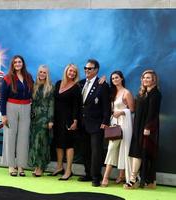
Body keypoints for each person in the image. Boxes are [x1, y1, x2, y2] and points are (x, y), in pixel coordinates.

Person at [125, 69, 162, 189]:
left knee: (142, 153)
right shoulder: (142, 93)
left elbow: (153, 113)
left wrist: (147, 128)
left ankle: (134, 179)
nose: (145, 80)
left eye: (148, 78)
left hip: (147, 128)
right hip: (138, 127)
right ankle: (141, 179)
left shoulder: (156, 94)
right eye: (144, 77)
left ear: (154, 80)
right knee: (137, 152)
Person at [78, 59, 111, 187]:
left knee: (96, 151)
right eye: (85, 68)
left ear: (96, 70)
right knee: (85, 150)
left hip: (97, 123)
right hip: (82, 123)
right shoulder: (81, 84)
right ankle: (88, 174)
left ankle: (96, 177)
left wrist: (105, 121)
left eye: (89, 68)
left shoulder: (102, 85)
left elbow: (106, 106)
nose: (86, 70)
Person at [0, 55, 33, 177]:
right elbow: (2, 98)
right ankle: (11, 165)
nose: (18, 64)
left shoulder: (28, 77)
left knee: (23, 137)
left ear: (23, 63)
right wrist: (3, 115)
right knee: (10, 136)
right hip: (11, 107)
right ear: (12, 65)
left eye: (20, 62)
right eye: (15, 62)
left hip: (26, 107)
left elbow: (32, 94)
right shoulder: (7, 78)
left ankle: (21, 165)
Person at [101, 71, 134, 187]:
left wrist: (121, 112)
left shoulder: (126, 93)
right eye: (113, 78)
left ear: (121, 78)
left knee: (124, 149)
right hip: (114, 125)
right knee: (112, 149)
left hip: (124, 125)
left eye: (116, 77)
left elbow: (132, 109)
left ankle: (112, 177)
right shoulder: (113, 92)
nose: (114, 79)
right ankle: (115, 176)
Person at [49, 63, 82, 181]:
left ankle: (68, 170)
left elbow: (77, 106)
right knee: (58, 143)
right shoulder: (58, 83)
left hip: (69, 119)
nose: (72, 73)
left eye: (74, 72)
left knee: (69, 145)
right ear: (66, 71)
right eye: (70, 71)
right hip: (57, 119)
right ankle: (59, 167)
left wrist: (75, 121)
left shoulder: (76, 87)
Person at [28, 65, 54, 177]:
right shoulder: (34, 86)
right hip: (34, 119)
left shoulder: (50, 87)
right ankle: (36, 165)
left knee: (42, 143)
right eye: (40, 72)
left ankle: (40, 167)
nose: (42, 74)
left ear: (47, 74)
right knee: (34, 143)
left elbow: (51, 104)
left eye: (44, 72)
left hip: (44, 119)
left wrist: (50, 120)